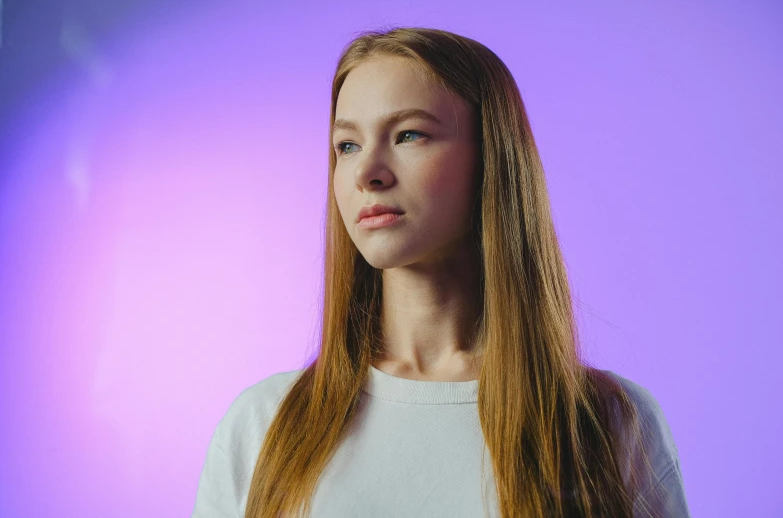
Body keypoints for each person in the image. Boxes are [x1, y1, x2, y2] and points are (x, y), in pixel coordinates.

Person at [193, 27, 691, 518]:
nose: (368, 172)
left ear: (491, 159)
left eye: (409, 134)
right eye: (347, 145)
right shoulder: (262, 425)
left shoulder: (609, 425)